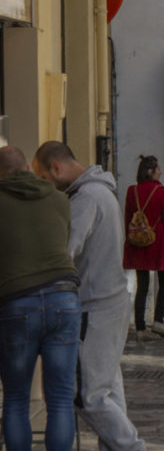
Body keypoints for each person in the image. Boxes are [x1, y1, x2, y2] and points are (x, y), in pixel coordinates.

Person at [33, 141, 145, 451]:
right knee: (107, 389)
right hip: (110, 300)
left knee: (87, 395)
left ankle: (132, 447)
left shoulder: (85, 199)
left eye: (43, 178)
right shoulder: (101, 192)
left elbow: (66, 252)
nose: (46, 187)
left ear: (56, 169)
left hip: (93, 307)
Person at [0, 146, 81, 451]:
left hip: (17, 304)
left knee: (17, 399)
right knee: (60, 398)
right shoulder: (60, 200)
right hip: (65, 299)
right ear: (27, 170)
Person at [123, 155, 164, 341]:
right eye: (158, 169)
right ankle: (158, 321)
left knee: (143, 285)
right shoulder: (161, 191)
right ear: (150, 171)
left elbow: (127, 219)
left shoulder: (132, 191)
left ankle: (140, 328)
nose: (161, 172)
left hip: (139, 243)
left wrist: (130, 239)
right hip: (159, 242)